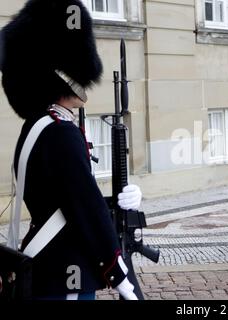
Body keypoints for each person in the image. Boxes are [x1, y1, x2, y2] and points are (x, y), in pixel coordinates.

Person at [1, 0, 141, 300]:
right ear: (60, 78)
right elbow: (84, 206)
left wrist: (117, 199)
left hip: (47, 260)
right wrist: (118, 273)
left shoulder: (39, 126)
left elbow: (66, 194)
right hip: (67, 267)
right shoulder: (60, 132)